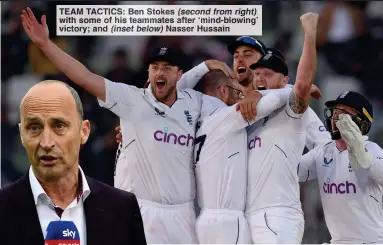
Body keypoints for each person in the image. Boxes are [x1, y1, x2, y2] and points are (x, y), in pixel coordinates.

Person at [20, 7, 238, 244]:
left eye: (166, 68)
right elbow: (83, 76)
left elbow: (235, 113)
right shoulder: (132, 100)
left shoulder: (196, 104)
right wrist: (45, 44)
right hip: (144, 210)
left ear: (179, 74)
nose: (159, 73)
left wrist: (254, 93)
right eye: (154, 68)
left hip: (183, 214)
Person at [0, 81, 146, 245]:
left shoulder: (122, 209)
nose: (46, 143)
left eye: (59, 126)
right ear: (21, 134)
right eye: (34, 128)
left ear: (84, 132)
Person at [244, 13, 323, 244]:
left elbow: (303, 83)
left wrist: (309, 34)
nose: (260, 78)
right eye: (257, 73)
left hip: (278, 214)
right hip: (244, 214)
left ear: (283, 80)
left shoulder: (291, 113)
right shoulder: (248, 113)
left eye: (267, 74)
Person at [189, 70, 293, 243]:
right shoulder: (225, 116)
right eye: (236, 90)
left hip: (204, 221)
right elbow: (272, 101)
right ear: (223, 91)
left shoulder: (197, 126)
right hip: (228, 222)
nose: (241, 97)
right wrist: (293, 88)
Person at [298, 91, 383, 244]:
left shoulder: (372, 148)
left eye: (344, 114)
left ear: (362, 123)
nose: (336, 117)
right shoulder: (323, 151)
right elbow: (291, 172)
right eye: (335, 112)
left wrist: (362, 154)